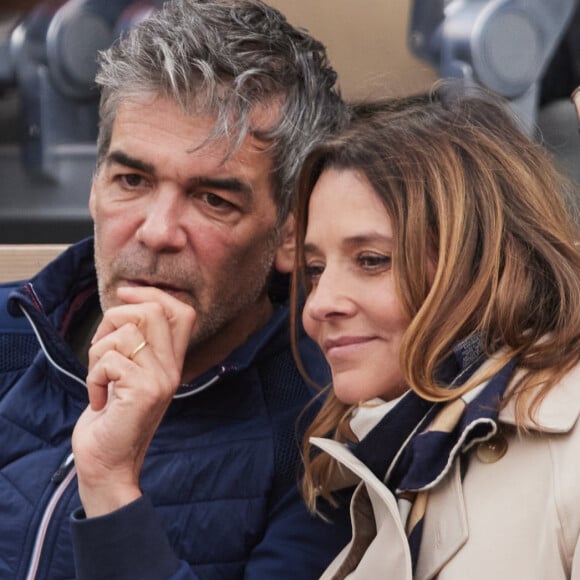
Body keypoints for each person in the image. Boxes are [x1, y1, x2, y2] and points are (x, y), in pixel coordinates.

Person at [0, 1, 353, 578]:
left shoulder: (324, 434)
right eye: (131, 180)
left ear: (292, 232)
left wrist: (113, 489)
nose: (158, 232)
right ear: (94, 186)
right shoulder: (9, 334)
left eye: (214, 199)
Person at [290, 85, 580, 579]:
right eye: (315, 268)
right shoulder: (399, 449)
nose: (319, 304)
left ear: (481, 262)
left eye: (372, 260)